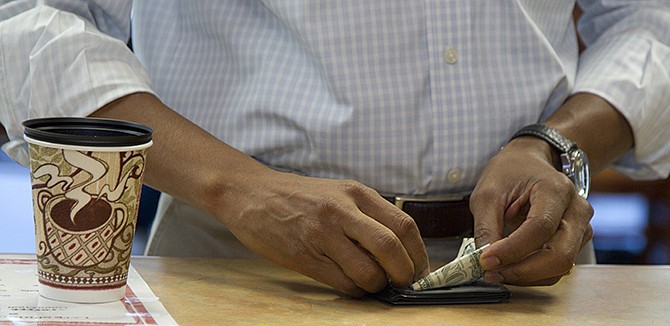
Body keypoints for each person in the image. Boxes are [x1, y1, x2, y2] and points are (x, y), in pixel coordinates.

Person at [1, 1, 669, 297]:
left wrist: (555, 143)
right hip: (244, 261)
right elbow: (35, 17)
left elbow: (651, 18)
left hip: (535, 262)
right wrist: (238, 187)